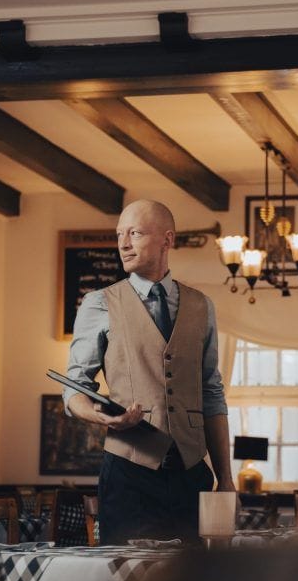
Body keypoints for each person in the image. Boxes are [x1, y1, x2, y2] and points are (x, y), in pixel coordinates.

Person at [64, 199, 235, 544]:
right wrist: (104, 420)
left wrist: (226, 479)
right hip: (129, 475)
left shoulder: (201, 306)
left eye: (136, 233)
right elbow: (74, 390)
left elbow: (212, 394)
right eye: (119, 235)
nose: (123, 244)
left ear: (167, 240)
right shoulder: (99, 303)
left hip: (191, 476)